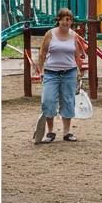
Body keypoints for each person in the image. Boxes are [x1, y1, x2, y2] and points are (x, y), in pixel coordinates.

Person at [33, 9, 86, 145]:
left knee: (68, 101)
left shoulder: (74, 35)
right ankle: (50, 131)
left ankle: (66, 132)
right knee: (48, 101)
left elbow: (77, 54)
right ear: (59, 20)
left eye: (69, 19)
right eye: (64, 19)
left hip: (69, 73)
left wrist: (79, 70)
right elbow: (42, 52)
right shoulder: (50, 34)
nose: (66, 22)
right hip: (51, 73)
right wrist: (41, 70)